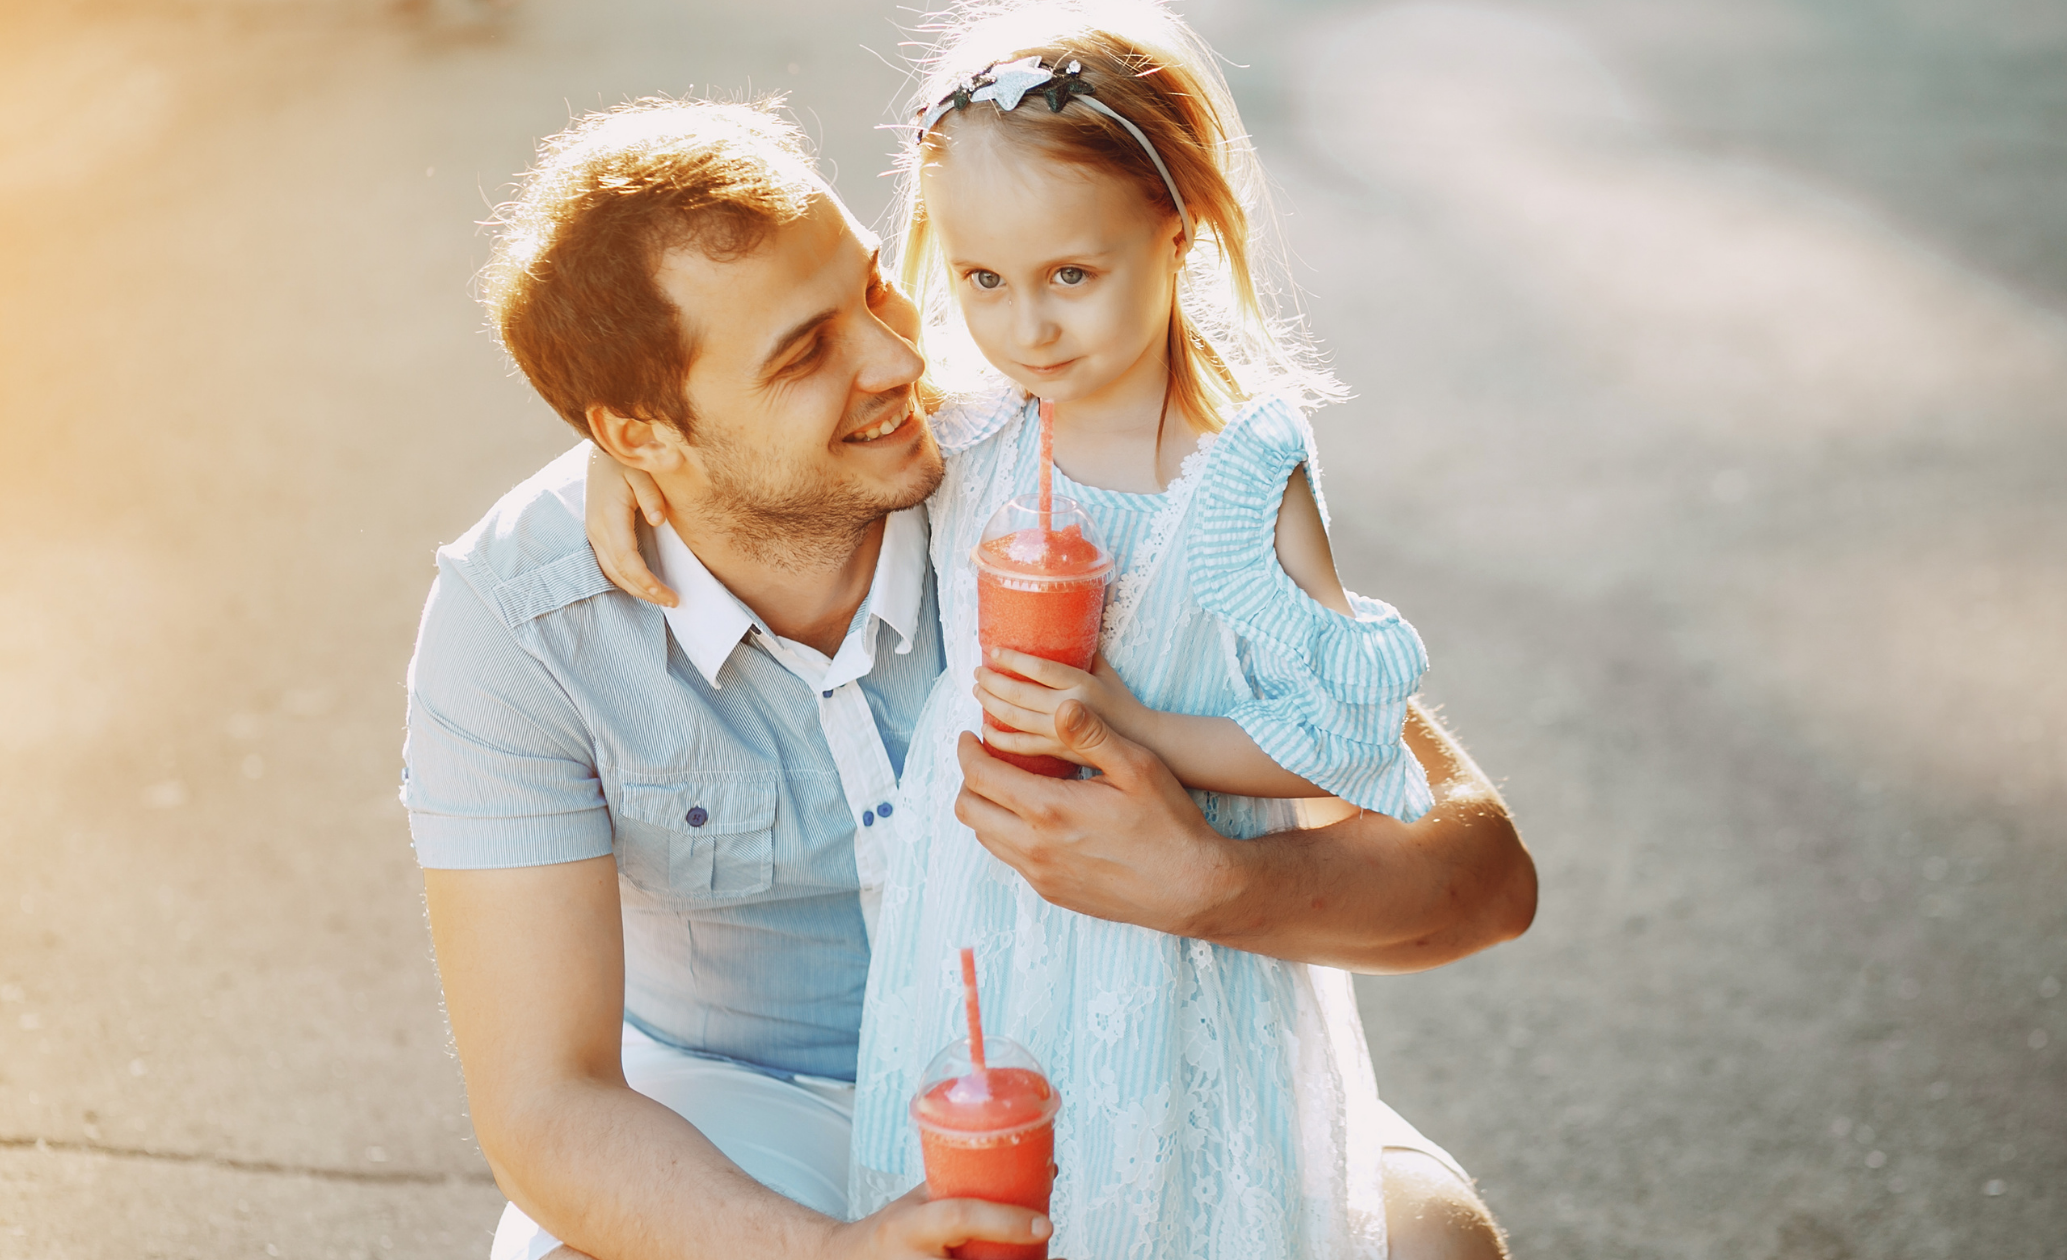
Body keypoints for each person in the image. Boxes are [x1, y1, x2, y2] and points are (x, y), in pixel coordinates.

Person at [405, 93, 1534, 1260]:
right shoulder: (522, 620)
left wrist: (1213, 882)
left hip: (1110, 1060)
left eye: (875, 288)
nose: (901, 358)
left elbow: (1482, 874)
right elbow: (546, 1107)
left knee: (1427, 1243)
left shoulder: (1057, 455)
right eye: (806, 351)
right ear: (637, 439)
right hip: (748, 1106)